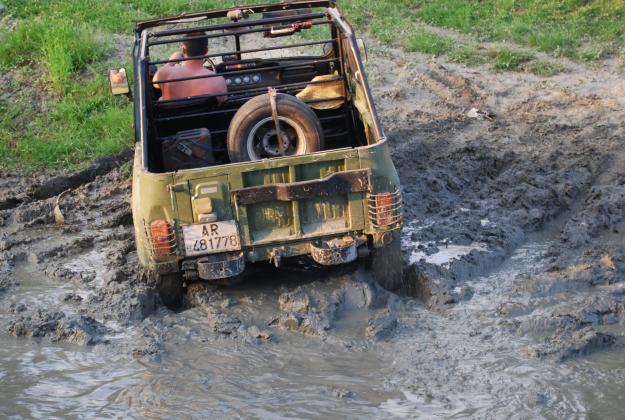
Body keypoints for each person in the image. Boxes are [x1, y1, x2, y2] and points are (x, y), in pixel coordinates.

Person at [152, 32, 227, 102]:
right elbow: (222, 104)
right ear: (206, 50)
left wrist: (171, 62)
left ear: (184, 50)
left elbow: (155, 84)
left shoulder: (165, 74)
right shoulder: (218, 81)